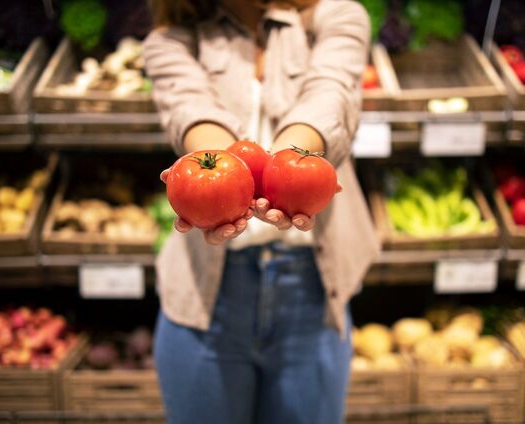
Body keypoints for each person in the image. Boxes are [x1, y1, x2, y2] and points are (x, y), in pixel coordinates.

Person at [144, 0, 379, 422]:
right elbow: (189, 107)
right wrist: (215, 166)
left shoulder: (337, 14)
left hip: (313, 289)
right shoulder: (170, 39)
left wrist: (293, 157)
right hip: (204, 296)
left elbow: (331, 92)